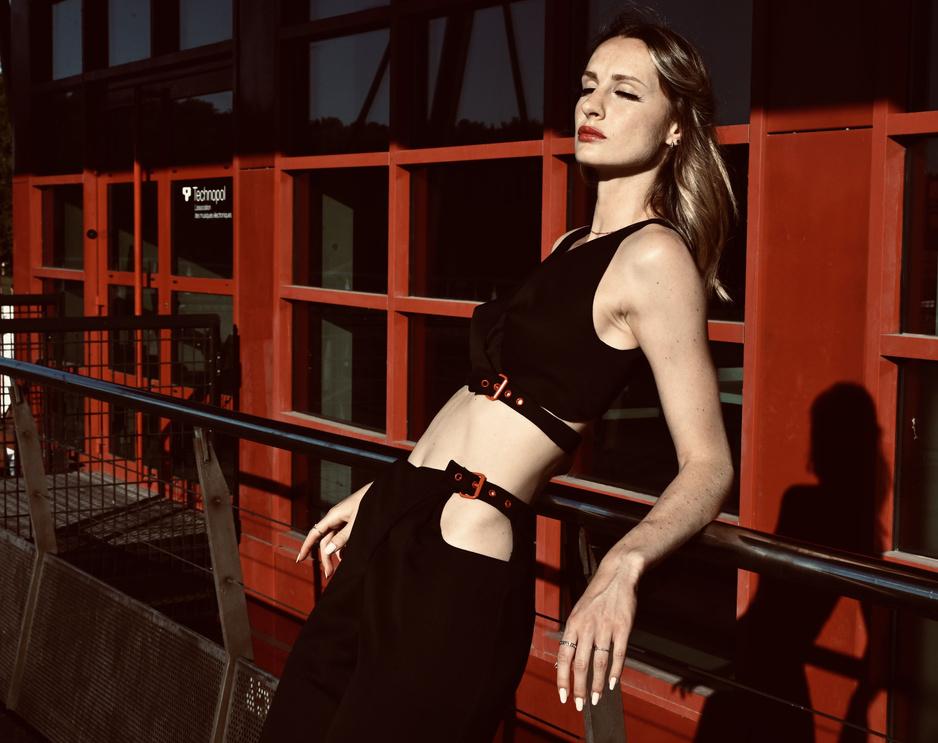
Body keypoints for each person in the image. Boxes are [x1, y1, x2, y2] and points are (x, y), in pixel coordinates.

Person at [259, 7, 735, 742]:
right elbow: (486, 403)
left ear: (676, 127)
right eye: (588, 86)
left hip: (459, 549)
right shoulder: (571, 243)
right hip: (399, 510)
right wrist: (389, 489)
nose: (593, 105)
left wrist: (623, 564)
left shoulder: (654, 257)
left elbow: (708, 465)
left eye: (625, 92)